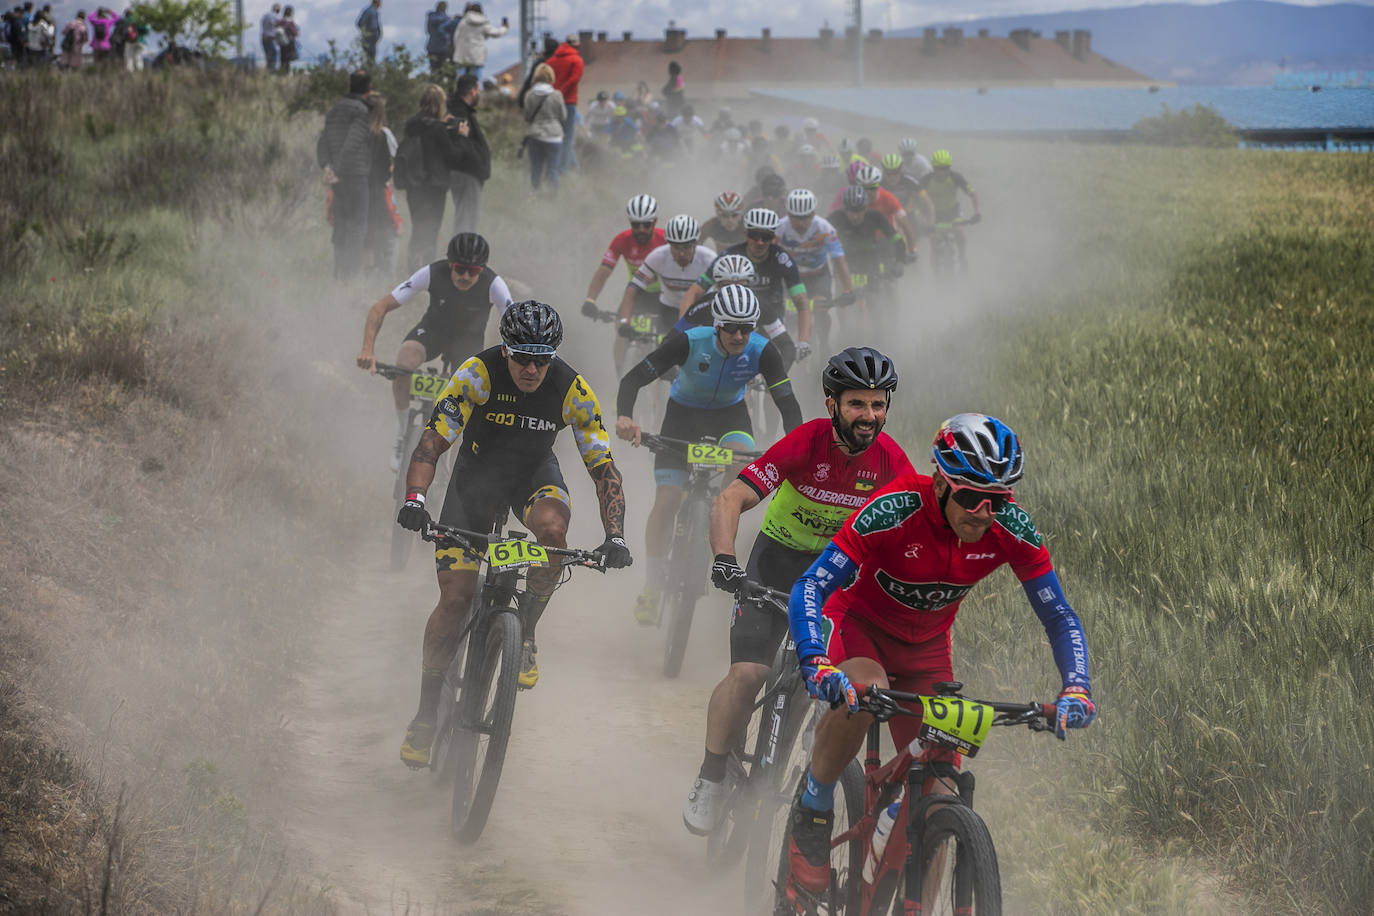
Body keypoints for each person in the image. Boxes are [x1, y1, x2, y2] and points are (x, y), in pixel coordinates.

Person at [780, 413, 1096, 910]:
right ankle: (814, 807)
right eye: (971, 497)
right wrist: (815, 661)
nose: (985, 512)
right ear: (941, 483)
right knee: (864, 689)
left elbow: (1058, 615)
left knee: (944, 782)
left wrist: (1076, 686)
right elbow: (812, 586)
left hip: (926, 649)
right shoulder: (894, 509)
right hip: (860, 627)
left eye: (999, 499)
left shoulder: (1010, 526)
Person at [682, 348, 911, 834]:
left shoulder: (891, 461)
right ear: (832, 403)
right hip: (777, 562)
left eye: (878, 404)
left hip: (837, 577)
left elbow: (914, 529)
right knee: (747, 674)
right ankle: (711, 775)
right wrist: (724, 559)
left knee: (838, 678)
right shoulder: (805, 443)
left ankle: (815, 750)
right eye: (857, 404)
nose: (870, 416)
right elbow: (731, 498)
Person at [396, 301, 632, 765]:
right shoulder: (477, 373)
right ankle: (425, 714)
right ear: (505, 351)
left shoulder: (572, 389)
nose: (530, 368)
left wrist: (616, 536)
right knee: (455, 600)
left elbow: (603, 468)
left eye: (541, 358)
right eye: (521, 356)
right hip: (474, 481)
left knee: (553, 531)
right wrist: (415, 501)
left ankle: (525, 634)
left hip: (532, 475)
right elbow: (431, 443)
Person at [616, 286, 803, 624]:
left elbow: (787, 402)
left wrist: (800, 446)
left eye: (747, 328)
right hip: (681, 418)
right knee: (668, 499)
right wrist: (625, 416)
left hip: (729, 418)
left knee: (738, 468)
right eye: (731, 327)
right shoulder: (688, 341)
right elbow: (633, 379)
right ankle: (653, 585)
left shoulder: (763, 351)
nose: (739, 335)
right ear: (716, 325)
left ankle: (716, 527)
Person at [357, 231, 512, 468]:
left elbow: (512, 330)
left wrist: (507, 367)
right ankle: (402, 432)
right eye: (460, 269)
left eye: (473, 272)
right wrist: (368, 349)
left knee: (469, 395)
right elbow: (380, 307)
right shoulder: (431, 273)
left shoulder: (495, 285)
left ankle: (452, 459)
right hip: (433, 332)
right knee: (404, 362)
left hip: (468, 342)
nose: (466, 276)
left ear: (482, 270)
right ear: (450, 264)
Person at [676, 208, 812, 370]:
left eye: (766, 237)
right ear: (746, 234)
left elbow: (801, 301)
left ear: (773, 237)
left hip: (770, 318)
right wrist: (682, 331)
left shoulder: (782, 260)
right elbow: (694, 292)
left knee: (776, 371)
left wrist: (803, 340)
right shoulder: (728, 256)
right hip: (734, 320)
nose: (759, 242)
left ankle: (769, 395)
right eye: (754, 235)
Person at [579, 194, 665, 373]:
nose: (641, 229)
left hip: (663, 295)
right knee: (621, 329)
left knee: (667, 336)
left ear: (655, 221)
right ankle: (621, 374)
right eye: (635, 224)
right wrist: (590, 300)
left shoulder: (665, 239)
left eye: (646, 224)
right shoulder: (622, 240)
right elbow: (603, 272)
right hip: (635, 295)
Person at [401, 84, 477, 269]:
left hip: (414, 184)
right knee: (431, 229)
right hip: (434, 186)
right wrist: (461, 137)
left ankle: (411, 269)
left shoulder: (411, 125)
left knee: (418, 227)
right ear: (440, 103)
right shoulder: (438, 128)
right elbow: (453, 156)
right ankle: (427, 271)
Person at [316, 70, 374, 280]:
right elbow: (353, 142)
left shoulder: (334, 110)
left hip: (337, 178)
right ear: (368, 88)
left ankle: (338, 275)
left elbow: (322, 142)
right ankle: (350, 278)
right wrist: (337, 170)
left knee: (341, 225)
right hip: (355, 176)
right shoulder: (361, 111)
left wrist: (327, 168)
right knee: (357, 227)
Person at [618, 214, 715, 333]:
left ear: (696, 243)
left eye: (686, 247)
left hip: (702, 310)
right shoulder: (658, 256)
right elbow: (633, 288)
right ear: (668, 244)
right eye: (676, 247)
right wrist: (624, 321)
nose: (681, 254)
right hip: (670, 310)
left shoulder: (709, 259)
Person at [918, 149, 981, 269]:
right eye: (938, 168)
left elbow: (973, 194)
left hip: (953, 211)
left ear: (949, 167)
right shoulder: (925, 180)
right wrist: (921, 218)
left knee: (960, 233)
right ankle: (936, 272)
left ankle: (962, 258)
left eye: (945, 168)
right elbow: (917, 200)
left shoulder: (956, 177)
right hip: (933, 214)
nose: (942, 172)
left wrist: (977, 212)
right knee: (934, 242)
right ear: (933, 167)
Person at [446, 72, 491, 234]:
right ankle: (461, 256)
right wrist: (477, 163)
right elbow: (461, 143)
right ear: (472, 91)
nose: (479, 93)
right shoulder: (459, 113)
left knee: (469, 219)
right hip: (466, 173)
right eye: (478, 89)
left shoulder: (461, 110)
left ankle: (464, 255)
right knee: (466, 221)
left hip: (469, 173)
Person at [362, 91, 399, 274]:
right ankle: (383, 271)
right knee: (383, 229)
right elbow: (395, 159)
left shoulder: (357, 134)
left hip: (361, 188)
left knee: (366, 231)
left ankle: (367, 270)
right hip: (380, 189)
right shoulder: (385, 135)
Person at [522, 62, 564, 193]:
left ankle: (535, 194)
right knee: (553, 169)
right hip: (554, 136)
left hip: (535, 135)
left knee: (536, 168)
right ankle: (552, 196)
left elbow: (527, 116)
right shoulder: (556, 95)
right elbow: (563, 115)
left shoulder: (529, 94)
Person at [547, 33, 582, 174]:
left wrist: (554, 93)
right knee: (567, 138)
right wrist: (561, 92)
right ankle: (563, 169)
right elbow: (574, 79)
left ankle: (570, 167)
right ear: (577, 44)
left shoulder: (551, 61)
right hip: (568, 102)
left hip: (551, 102)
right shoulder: (576, 60)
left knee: (554, 135)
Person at [452, 1, 505, 80]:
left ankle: (459, 91)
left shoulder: (463, 21)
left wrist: (456, 49)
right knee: (477, 79)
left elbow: (456, 37)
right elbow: (496, 33)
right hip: (477, 56)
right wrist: (504, 27)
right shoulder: (483, 23)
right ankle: (477, 91)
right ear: (481, 11)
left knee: (460, 79)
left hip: (462, 55)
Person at [699, 190, 745, 255]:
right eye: (724, 215)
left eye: (734, 215)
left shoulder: (748, 226)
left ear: (741, 215)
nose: (730, 220)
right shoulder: (710, 226)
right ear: (718, 215)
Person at [423, 1, 457, 73]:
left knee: (433, 70)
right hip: (443, 47)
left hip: (431, 46)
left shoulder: (431, 18)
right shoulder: (447, 19)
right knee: (441, 70)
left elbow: (427, 31)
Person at [356, 0, 381, 64]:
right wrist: (366, 33)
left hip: (373, 38)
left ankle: (371, 71)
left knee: (372, 57)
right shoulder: (369, 11)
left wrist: (378, 34)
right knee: (369, 58)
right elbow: (360, 23)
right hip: (369, 38)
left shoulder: (375, 11)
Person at [277, 6, 298, 72]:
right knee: (288, 59)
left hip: (281, 42)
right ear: (291, 13)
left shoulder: (281, 21)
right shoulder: (291, 22)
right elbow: (295, 33)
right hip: (289, 42)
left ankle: (281, 72)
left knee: (282, 58)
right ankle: (286, 73)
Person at [259, 3, 280, 70]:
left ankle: (268, 71)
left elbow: (262, 24)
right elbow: (276, 25)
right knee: (273, 55)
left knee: (268, 56)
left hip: (263, 38)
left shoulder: (266, 15)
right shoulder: (274, 16)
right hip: (270, 38)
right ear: (277, 9)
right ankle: (272, 71)